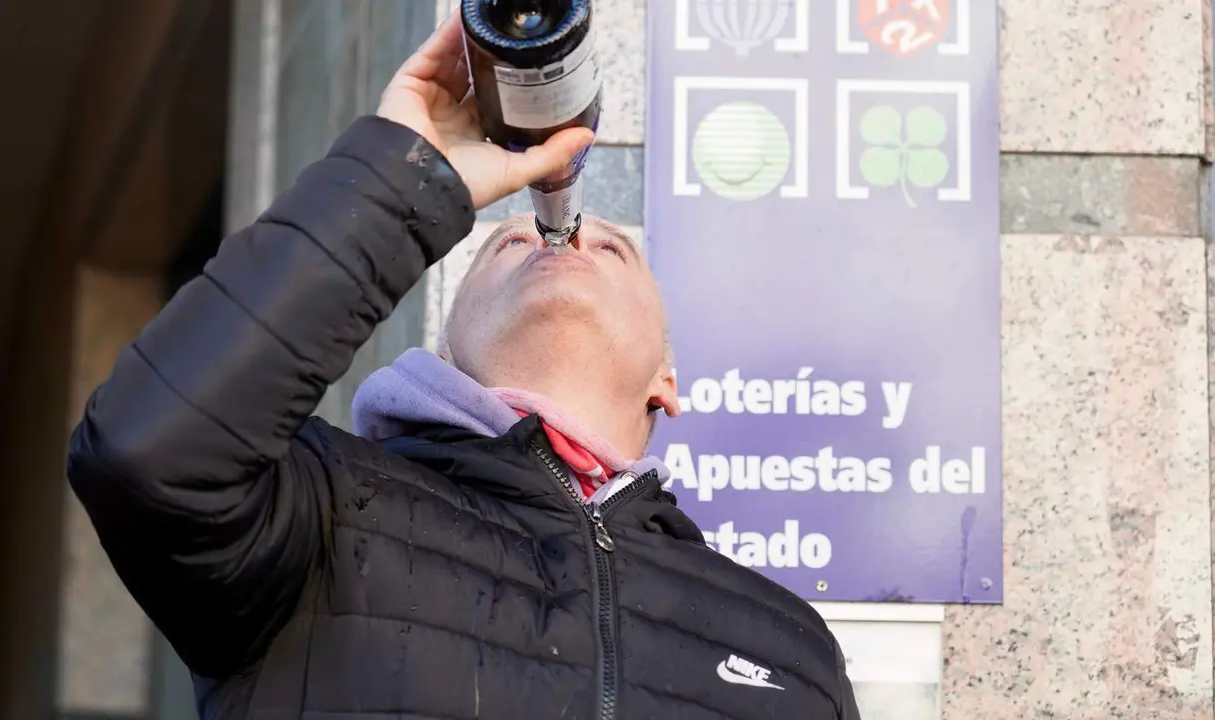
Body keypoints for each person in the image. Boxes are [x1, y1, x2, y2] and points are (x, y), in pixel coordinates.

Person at [67, 13, 861, 720]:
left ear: (667, 382)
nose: (568, 240)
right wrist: (411, 173)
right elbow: (149, 457)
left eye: (615, 248)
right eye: (509, 241)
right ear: (447, 351)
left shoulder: (791, 649)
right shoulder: (318, 514)